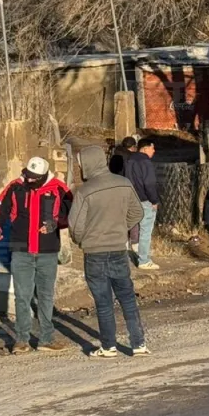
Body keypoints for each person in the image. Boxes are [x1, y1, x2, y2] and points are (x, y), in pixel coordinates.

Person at [69, 145, 150, 359]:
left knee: (103, 302)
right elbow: (137, 212)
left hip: (94, 252)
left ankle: (108, 346)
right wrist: (122, 228)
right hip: (117, 249)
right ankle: (138, 344)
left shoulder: (84, 192)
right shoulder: (124, 184)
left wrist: (83, 240)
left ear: (87, 164)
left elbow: (75, 226)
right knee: (127, 298)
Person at [0, 157, 72, 354]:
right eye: (28, 175)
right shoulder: (15, 186)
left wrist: (55, 223)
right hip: (21, 250)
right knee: (22, 296)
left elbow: (71, 212)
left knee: (45, 296)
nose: (30, 180)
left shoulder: (60, 188)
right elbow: (0, 208)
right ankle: (22, 339)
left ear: (44, 176)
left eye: (35, 178)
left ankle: (46, 339)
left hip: (47, 251)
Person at [122, 137, 161, 271]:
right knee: (145, 230)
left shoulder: (129, 160)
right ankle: (144, 259)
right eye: (152, 147)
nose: (154, 151)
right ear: (145, 148)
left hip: (131, 198)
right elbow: (149, 183)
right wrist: (154, 200)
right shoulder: (145, 162)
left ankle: (126, 254)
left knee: (129, 226)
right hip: (145, 199)